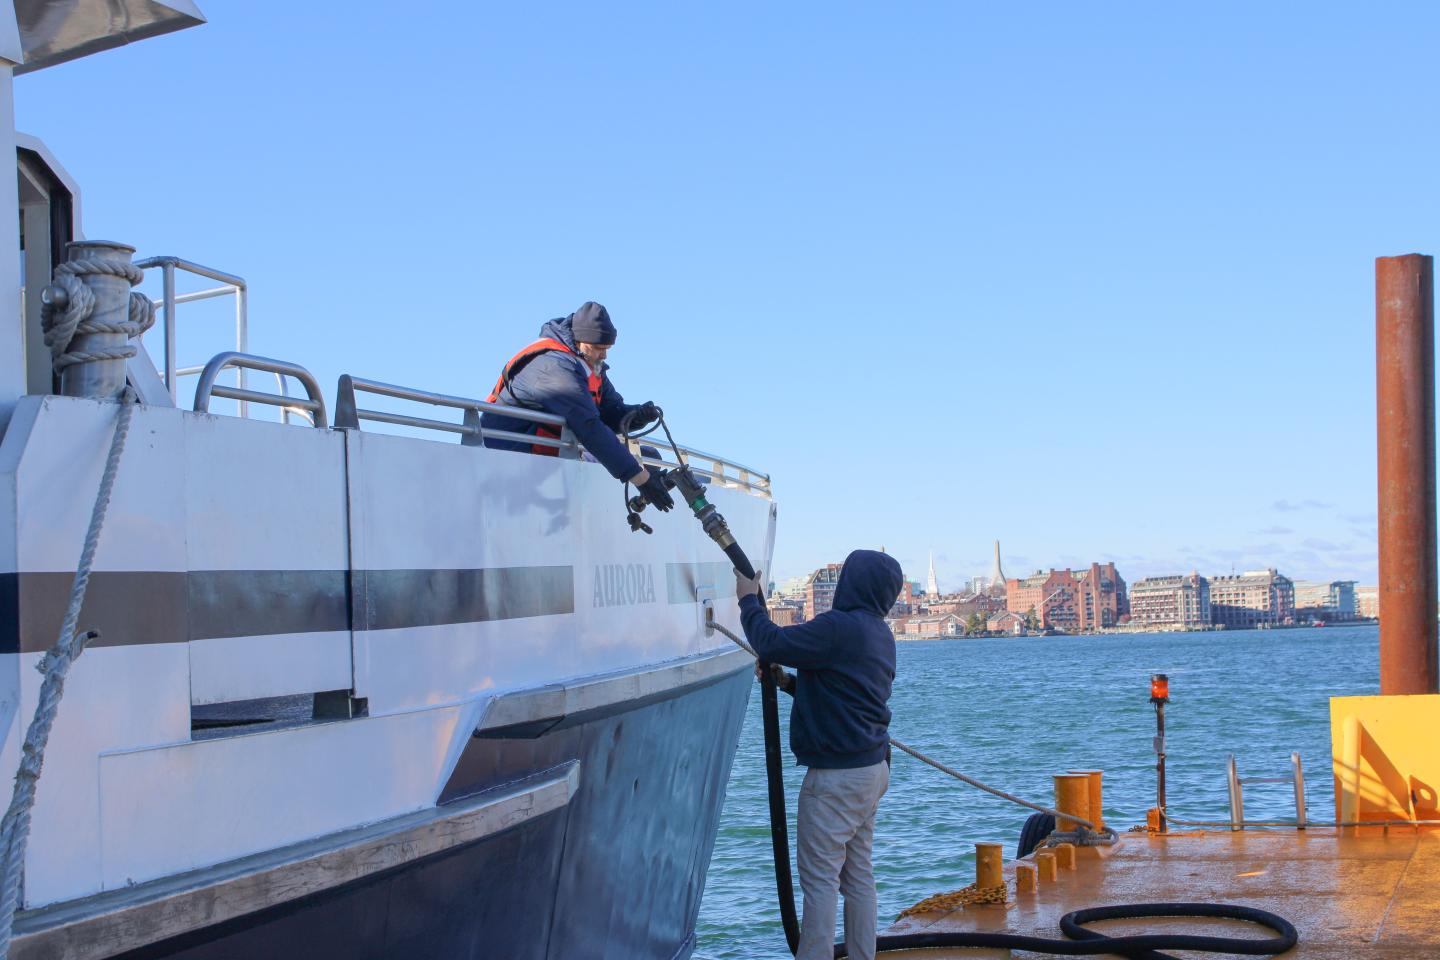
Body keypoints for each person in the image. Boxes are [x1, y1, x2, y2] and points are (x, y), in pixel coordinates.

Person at [735, 550, 901, 960]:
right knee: (859, 875)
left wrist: (746, 600)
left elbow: (769, 640)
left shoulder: (837, 628)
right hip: (872, 769)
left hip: (835, 779)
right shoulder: (880, 634)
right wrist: (789, 682)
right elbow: (844, 693)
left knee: (820, 880)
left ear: (850, 583)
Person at [482, 301, 673, 512]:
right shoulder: (552, 366)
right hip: (514, 456)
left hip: (555, 449)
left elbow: (609, 413)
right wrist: (641, 478)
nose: (604, 355)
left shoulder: (589, 365)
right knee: (637, 465)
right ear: (582, 341)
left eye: (607, 349)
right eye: (599, 348)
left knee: (650, 456)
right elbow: (588, 425)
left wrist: (637, 415)